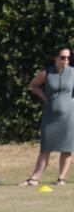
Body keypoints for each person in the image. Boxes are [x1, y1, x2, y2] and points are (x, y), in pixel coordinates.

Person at [20, 45, 74, 186]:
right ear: (55, 58)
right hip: (50, 116)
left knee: (67, 149)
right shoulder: (47, 73)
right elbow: (33, 85)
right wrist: (44, 97)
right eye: (63, 57)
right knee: (45, 148)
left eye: (68, 57)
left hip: (69, 117)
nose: (66, 60)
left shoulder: (73, 72)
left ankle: (61, 178)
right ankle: (34, 179)